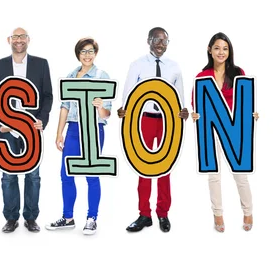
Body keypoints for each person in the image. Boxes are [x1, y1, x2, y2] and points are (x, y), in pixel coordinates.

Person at [118, 27, 189, 233]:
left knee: (165, 167)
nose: (161, 44)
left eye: (165, 41)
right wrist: (124, 111)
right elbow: (129, 94)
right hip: (145, 119)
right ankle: (144, 214)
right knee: (144, 167)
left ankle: (163, 213)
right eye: (157, 40)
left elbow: (179, 96)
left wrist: (184, 112)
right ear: (149, 40)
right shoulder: (137, 65)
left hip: (168, 121)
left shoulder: (174, 67)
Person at [0, 27, 53, 233]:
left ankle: (31, 217)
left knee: (33, 176)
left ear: (28, 40)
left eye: (22, 36)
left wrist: (42, 120)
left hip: (31, 131)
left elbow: (47, 95)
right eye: (15, 37)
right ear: (9, 40)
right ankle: (11, 218)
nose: (19, 40)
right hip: (7, 130)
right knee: (8, 177)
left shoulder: (41, 64)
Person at [190, 32, 258, 232]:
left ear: (230, 52)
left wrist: (251, 114)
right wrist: (195, 114)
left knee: (240, 175)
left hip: (233, 129)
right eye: (217, 48)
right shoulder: (202, 77)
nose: (221, 52)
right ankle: (217, 214)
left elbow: (244, 99)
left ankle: (248, 211)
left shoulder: (237, 72)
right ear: (210, 50)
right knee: (214, 175)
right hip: (211, 130)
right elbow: (197, 102)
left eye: (225, 48)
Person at [45, 37, 111, 235]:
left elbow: (107, 113)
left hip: (93, 129)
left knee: (92, 174)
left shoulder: (101, 75)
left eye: (91, 51)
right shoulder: (71, 76)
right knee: (66, 174)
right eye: (83, 51)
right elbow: (64, 107)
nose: (87, 55)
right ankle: (68, 217)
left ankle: (92, 218)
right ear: (78, 54)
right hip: (73, 130)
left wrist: (100, 107)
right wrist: (59, 133)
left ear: (96, 53)